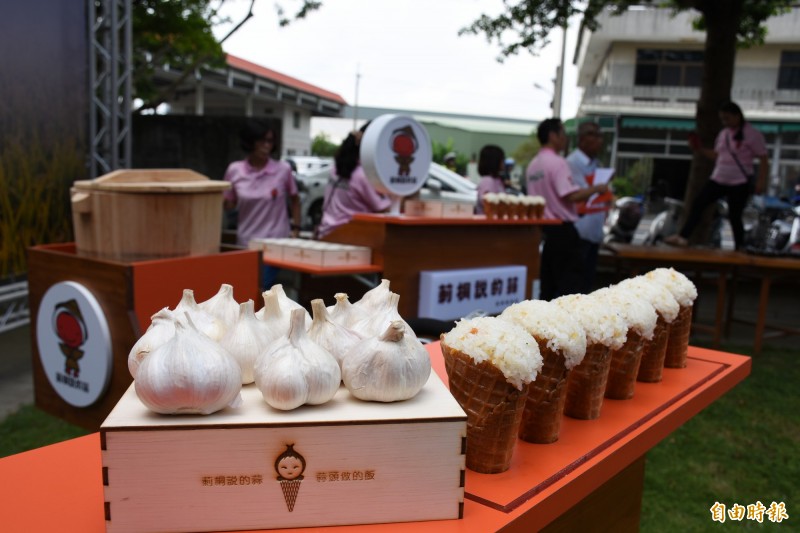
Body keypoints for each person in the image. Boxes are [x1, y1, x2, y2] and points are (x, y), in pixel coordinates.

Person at [526, 118, 611, 300]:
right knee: (570, 292)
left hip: (544, 231)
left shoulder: (533, 165)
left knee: (547, 289)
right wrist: (597, 188)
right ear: (553, 136)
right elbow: (570, 195)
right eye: (563, 134)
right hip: (563, 232)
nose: (566, 139)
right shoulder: (558, 163)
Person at [665, 101, 768, 250]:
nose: (725, 122)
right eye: (722, 119)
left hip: (739, 181)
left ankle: (740, 246)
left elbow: (763, 159)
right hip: (719, 177)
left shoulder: (752, 134)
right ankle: (683, 237)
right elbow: (718, 156)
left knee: (735, 215)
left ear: (737, 116)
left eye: (727, 118)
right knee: (699, 203)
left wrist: (761, 181)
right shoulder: (724, 134)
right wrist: (699, 149)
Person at [223, 119, 300, 289]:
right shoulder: (235, 170)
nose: (266, 146)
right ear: (250, 142)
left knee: (259, 286)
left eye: (270, 141)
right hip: (246, 243)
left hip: (276, 244)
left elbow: (295, 198)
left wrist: (296, 228)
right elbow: (229, 203)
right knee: (245, 289)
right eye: (262, 141)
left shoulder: (283, 170)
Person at [316, 122, 391, 238]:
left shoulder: (336, 169)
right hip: (350, 238)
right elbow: (385, 209)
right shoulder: (363, 176)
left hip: (327, 233)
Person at [567, 121, 611, 292]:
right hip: (579, 232)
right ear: (583, 139)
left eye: (601, 136)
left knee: (587, 284)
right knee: (574, 285)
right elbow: (576, 195)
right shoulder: (572, 163)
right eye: (595, 135)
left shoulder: (596, 163)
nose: (600, 141)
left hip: (593, 233)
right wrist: (598, 189)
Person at [475, 144, 507, 214]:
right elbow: (489, 204)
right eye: (502, 159)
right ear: (494, 161)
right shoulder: (488, 181)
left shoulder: (496, 180)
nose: (504, 162)